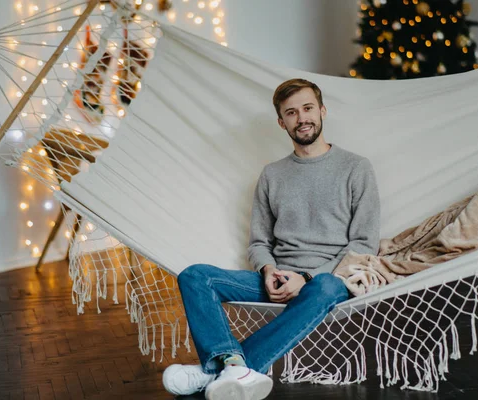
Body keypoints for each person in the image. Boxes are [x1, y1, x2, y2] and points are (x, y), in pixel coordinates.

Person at [162, 78, 381, 400]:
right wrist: (269, 272)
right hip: (275, 280)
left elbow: (363, 244)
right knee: (195, 276)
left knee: (326, 287)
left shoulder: (356, 168)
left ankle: (215, 372)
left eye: (308, 108)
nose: (302, 118)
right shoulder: (272, 175)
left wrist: (305, 277)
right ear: (282, 122)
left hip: (327, 279)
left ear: (322, 111)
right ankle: (232, 364)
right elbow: (259, 242)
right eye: (291, 112)